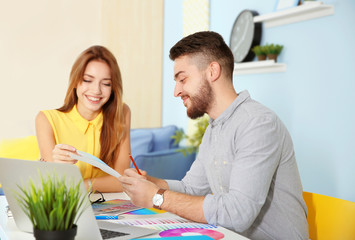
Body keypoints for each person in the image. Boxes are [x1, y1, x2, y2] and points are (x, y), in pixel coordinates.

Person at [119, 31, 309, 239]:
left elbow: (237, 213)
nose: (176, 91)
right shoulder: (214, 129)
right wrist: (150, 183)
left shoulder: (258, 123)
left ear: (212, 71)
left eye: (182, 79)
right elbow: (192, 188)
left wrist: (157, 197)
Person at [36, 45, 131, 192]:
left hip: (107, 206)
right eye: (87, 80)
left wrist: (82, 185)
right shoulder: (46, 119)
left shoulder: (122, 113)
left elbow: (121, 180)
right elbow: (55, 184)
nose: (96, 90)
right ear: (75, 81)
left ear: (113, 88)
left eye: (106, 83)